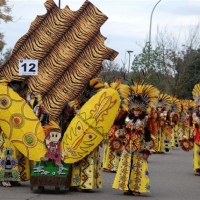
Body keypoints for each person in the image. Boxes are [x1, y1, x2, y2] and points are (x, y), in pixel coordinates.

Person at [112, 83, 159, 196]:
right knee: (126, 167)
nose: (136, 112)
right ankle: (126, 187)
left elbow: (148, 135)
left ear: (142, 111)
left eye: (138, 110)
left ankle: (136, 188)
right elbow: (119, 126)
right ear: (131, 110)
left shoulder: (146, 120)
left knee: (138, 168)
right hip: (127, 147)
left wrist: (147, 150)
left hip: (140, 148)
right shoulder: (127, 118)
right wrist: (119, 133)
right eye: (134, 110)